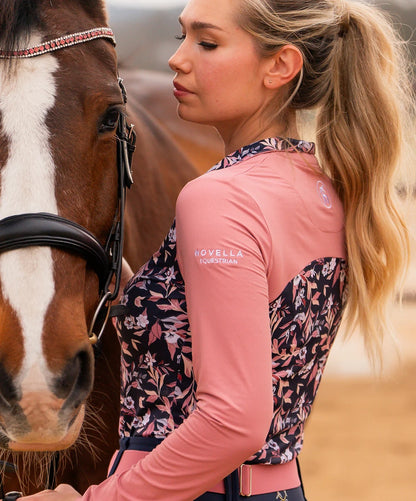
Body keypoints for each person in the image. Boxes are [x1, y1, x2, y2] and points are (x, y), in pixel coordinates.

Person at [22, 0, 414, 499]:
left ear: (281, 66)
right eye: (182, 36)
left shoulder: (218, 198)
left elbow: (235, 420)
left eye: (207, 43)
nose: (177, 59)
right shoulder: (325, 188)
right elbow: (250, 324)